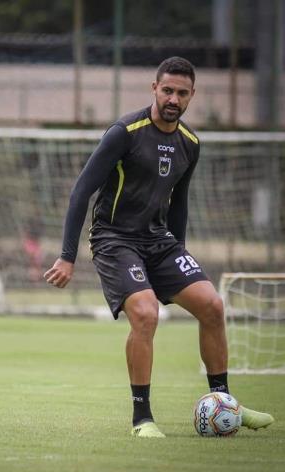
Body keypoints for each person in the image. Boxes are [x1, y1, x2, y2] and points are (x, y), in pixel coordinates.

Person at [44, 57, 274, 438]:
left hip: (159, 243)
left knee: (213, 305)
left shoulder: (190, 143)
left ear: (191, 96)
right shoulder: (125, 132)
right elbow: (81, 191)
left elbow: (179, 203)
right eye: (167, 90)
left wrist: (180, 256)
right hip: (114, 239)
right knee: (146, 314)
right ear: (154, 88)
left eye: (182, 93)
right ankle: (142, 419)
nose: (173, 98)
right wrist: (67, 256)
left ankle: (225, 403)